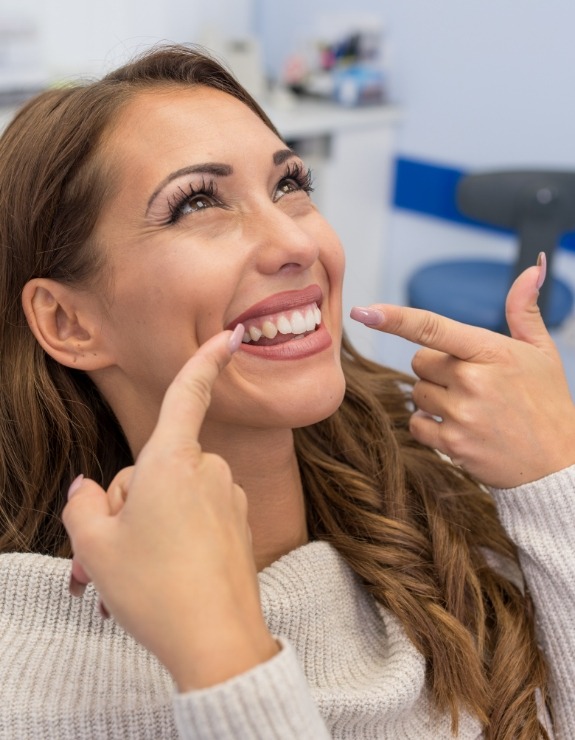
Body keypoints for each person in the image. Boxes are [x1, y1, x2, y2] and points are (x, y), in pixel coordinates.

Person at [0, 43, 573, 740]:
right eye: (197, 203)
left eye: (289, 185)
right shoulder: (33, 689)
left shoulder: (444, 498)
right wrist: (222, 656)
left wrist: (553, 478)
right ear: (70, 322)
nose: (293, 243)